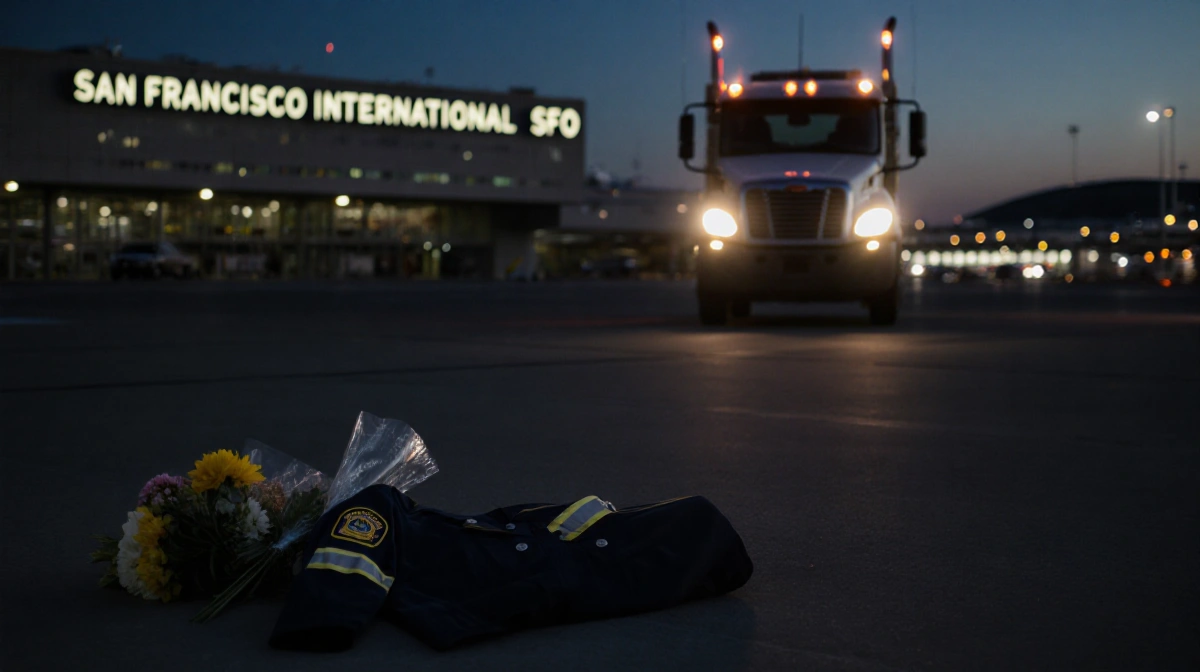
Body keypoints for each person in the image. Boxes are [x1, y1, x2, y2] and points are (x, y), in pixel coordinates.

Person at [270, 484, 753, 651]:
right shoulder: (376, 504)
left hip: (507, 575)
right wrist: (325, 617)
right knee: (692, 521)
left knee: (690, 522)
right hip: (498, 577)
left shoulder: (386, 510)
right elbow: (346, 555)